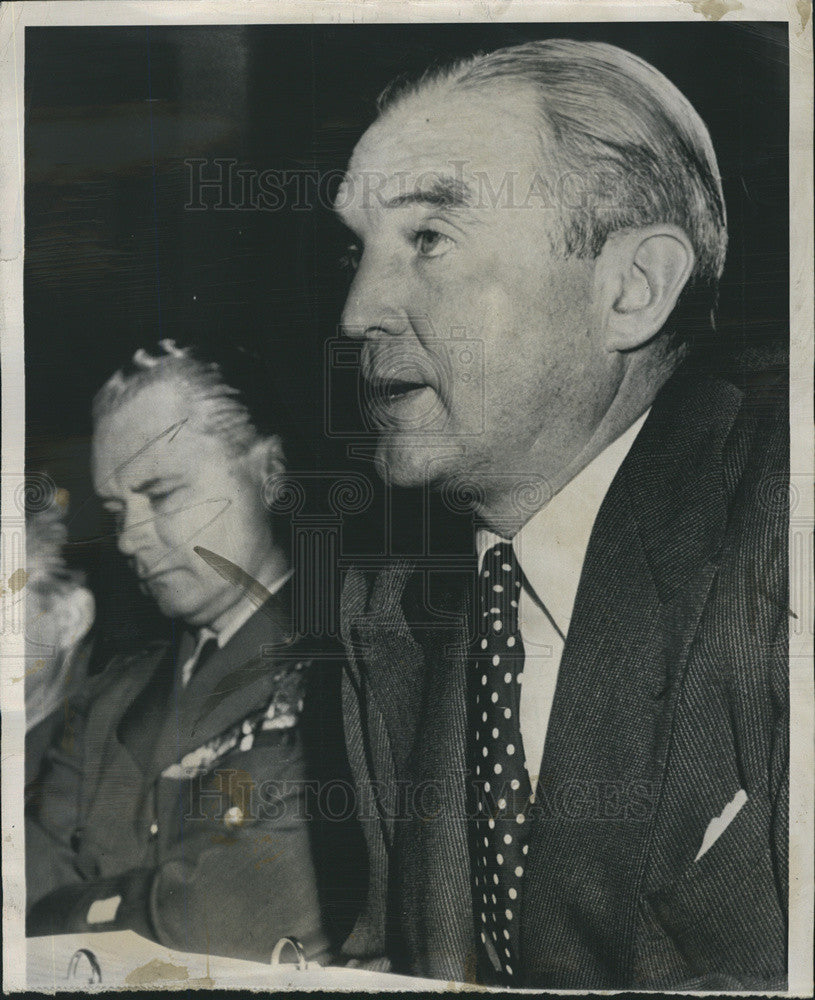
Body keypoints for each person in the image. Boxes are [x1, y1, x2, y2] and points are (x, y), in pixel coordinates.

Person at [335, 40, 788, 989]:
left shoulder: (786, 523)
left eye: (428, 239)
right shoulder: (384, 606)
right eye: (359, 248)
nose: (358, 310)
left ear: (630, 289)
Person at [26, 339, 361, 963]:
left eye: (162, 494)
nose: (130, 537)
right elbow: (22, 890)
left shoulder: (345, 676)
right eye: (116, 509)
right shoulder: (111, 699)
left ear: (271, 471)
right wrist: (143, 906)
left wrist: (77, 915)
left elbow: (233, 919)